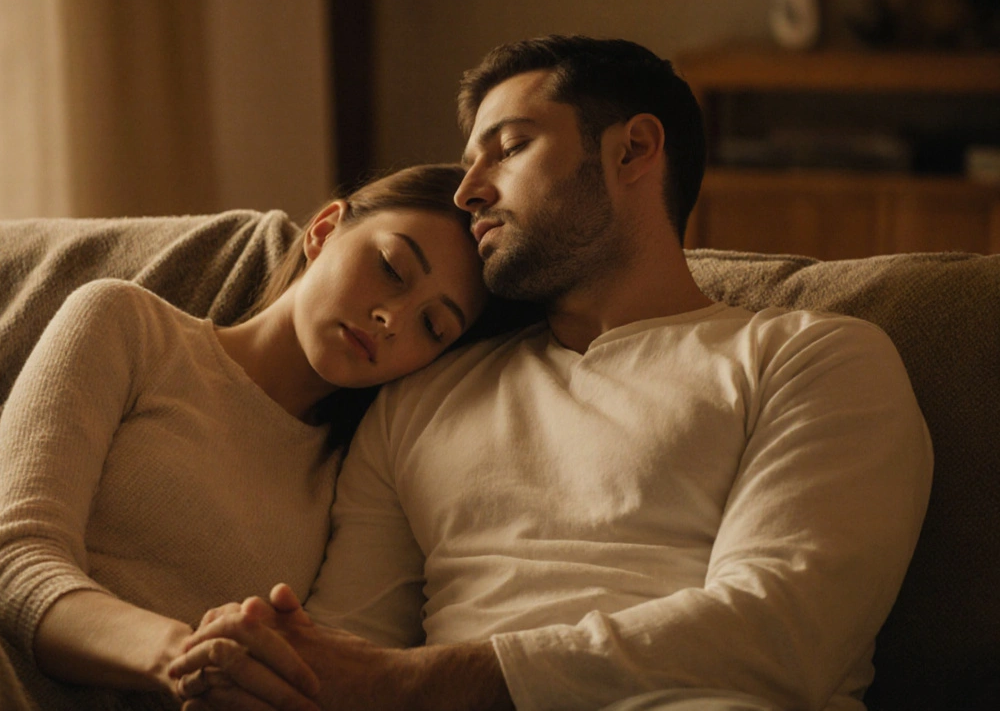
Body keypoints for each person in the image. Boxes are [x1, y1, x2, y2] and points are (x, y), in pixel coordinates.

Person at [167, 36, 933, 711]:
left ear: (632, 150)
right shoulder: (420, 395)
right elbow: (345, 654)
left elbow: (779, 636)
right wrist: (259, 666)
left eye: (508, 146)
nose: (467, 191)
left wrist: (413, 686)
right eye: (469, 162)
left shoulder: (813, 360)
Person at [0, 164, 492, 711]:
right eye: (392, 267)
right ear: (326, 230)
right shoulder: (128, 322)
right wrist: (178, 654)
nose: (393, 317)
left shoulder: (358, 483)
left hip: (118, 698)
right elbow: (15, 555)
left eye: (433, 324)